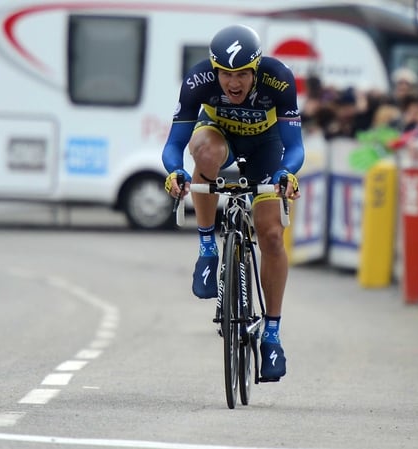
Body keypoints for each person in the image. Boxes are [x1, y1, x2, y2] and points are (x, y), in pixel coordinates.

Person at [161, 24, 303, 381]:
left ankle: (272, 334)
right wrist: (175, 170)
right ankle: (208, 248)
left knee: (271, 236)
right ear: (215, 70)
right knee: (204, 151)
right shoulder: (198, 80)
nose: (233, 83)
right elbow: (174, 144)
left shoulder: (279, 79)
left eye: (241, 74)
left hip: (265, 146)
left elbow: (295, 146)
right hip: (218, 136)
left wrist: (286, 173)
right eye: (225, 74)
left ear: (256, 70)